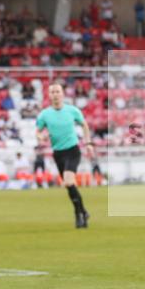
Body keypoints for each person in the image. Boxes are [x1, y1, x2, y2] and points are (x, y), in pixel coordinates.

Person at [36, 82, 94, 227]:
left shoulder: (72, 110)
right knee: (69, 185)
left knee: (68, 181)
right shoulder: (44, 114)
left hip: (73, 150)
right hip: (58, 153)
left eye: (57, 91)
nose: (55, 94)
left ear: (62, 94)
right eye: (52, 92)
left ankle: (78, 215)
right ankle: (83, 211)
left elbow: (84, 125)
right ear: (49, 95)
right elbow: (38, 131)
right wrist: (40, 137)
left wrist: (88, 144)